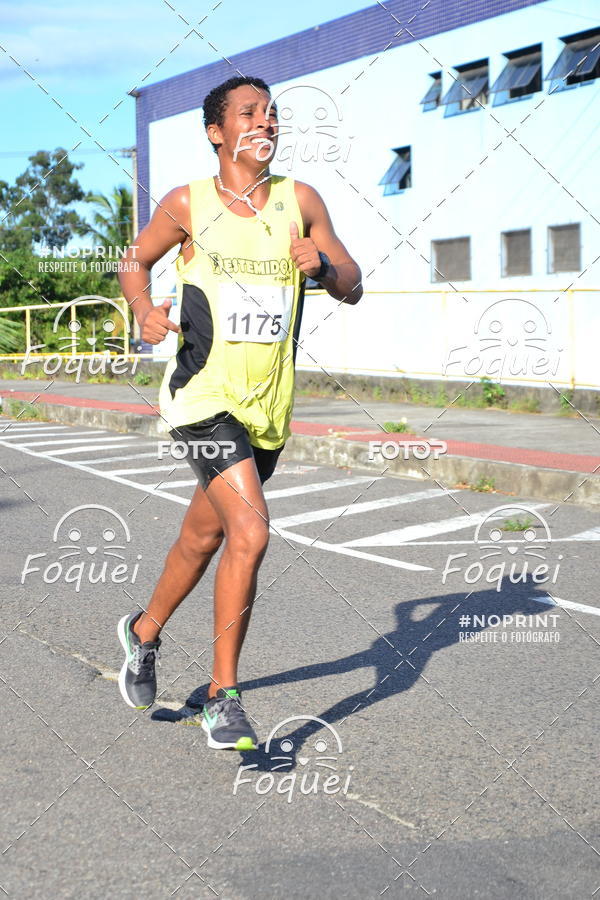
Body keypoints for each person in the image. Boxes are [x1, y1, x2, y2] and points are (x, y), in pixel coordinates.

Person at [116, 75, 363, 751]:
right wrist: (144, 310)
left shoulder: (300, 200)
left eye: (272, 113)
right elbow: (132, 263)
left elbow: (353, 284)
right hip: (202, 397)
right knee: (250, 533)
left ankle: (143, 634)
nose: (264, 121)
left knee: (205, 536)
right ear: (217, 132)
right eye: (248, 112)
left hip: (267, 409)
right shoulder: (187, 204)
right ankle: (223, 698)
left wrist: (325, 268)